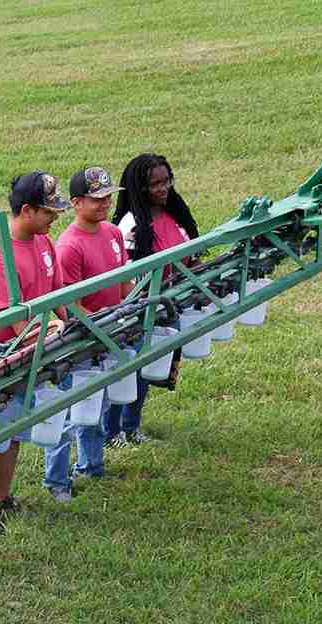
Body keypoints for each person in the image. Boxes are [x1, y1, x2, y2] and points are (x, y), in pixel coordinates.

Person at [0, 172, 72, 532]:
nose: (54, 218)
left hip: (35, 345)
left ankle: (2, 496)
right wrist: (54, 333)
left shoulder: (44, 242)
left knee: (16, 431)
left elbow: (56, 295)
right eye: (48, 212)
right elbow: (14, 323)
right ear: (26, 211)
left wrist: (66, 323)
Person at [47, 166, 129, 498]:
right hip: (84, 338)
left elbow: (125, 280)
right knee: (69, 413)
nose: (105, 204)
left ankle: (92, 466)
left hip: (113, 330)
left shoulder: (112, 233)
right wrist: (98, 326)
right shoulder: (68, 246)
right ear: (77, 203)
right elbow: (69, 304)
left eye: (108, 197)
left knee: (100, 406)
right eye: (97, 199)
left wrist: (131, 308)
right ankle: (56, 481)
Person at [111, 153, 201, 448]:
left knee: (150, 372)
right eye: (154, 184)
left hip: (169, 305)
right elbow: (126, 275)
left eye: (166, 181)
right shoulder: (131, 225)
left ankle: (132, 426)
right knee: (129, 375)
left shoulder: (174, 213)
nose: (163, 189)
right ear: (139, 188)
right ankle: (113, 433)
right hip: (141, 310)